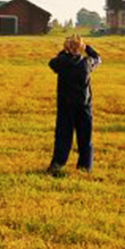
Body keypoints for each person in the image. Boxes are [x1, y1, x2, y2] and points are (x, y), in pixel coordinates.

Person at [47, 37, 102, 175]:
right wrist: (87, 48)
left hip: (65, 106)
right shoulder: (87, 62)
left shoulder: (61, 63)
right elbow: (98, 58)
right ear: (81, 49)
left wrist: (65, 52)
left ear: (67, 48)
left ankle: (58, 164)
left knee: (63, 137)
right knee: (85, 138)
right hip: (84, 106)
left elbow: (52, 62)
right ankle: (85, 167)